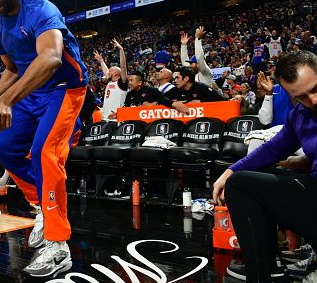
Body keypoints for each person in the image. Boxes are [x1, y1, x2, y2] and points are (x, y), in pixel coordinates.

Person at [0, 0, 88, 278]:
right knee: (5, 147)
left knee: (44, 152)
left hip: (64, 88)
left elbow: (50, 58)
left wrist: (8, 98)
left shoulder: (41, 9)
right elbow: (12, 69)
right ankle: (42, 208)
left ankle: (58, 243)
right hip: (31, 93)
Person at [213, 51, 317, 282]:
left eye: (316, 89)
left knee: (240, 185)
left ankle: (260, 275)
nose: (313, 100)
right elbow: (272, 149)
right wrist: (228, 171)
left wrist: (305, 162)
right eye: (301, 96)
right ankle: (269, 266)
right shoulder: (300, 113)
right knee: (252, 176)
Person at [93, 38, 127, 121]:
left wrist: (121, 50)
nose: (108, 72)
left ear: (116, 73)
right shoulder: (110, 82)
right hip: (105, 117)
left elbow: (123, 67)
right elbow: (106, 71)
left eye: (110, 70)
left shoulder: (122, 82)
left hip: (116, 118)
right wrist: (101, 61)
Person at [124, 72, 189, 112]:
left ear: (140, 82)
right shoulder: (129, 94)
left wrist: (173, 103)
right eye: (129, 80)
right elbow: (125, 107)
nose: (129, 83)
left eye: (131, 80)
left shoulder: (151, 90)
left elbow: (163, 99)